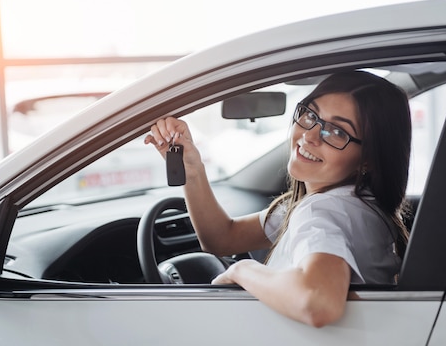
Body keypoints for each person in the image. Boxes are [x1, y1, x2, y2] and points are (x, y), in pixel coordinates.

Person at [144, 71, 412, 328]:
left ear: (368, 159)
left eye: (337, 132)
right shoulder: (360, 203)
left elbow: (319, 302)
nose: (309, 136)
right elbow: (223, 238)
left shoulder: (322, 210)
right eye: (310, 115)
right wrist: (192, 169)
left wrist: (242, 271)